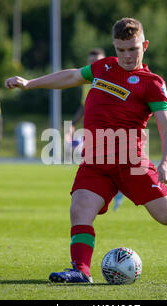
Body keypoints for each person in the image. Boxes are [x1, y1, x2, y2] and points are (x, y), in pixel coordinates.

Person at [5, 17, 167, 283]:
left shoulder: (152, 83)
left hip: (132, 162)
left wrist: (166, 162)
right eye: (121, 49)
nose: (127, 56)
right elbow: (71, 75)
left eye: (133, 49)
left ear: (145, 45)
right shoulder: (102, 67)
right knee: (80, 207)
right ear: (114, 47)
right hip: (95, 162)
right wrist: (29, 83)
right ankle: (81, 271)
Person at [66, 48, 125, 211]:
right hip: (93, 131)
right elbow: (84, 106)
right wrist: (72, 124)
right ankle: (111, 193)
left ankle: (117, 191)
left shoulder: (116, 78)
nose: (94, 64)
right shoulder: (88, 82)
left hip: (115, 131)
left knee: (113, 164)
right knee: (98, 165)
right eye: (91, 61)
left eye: (97, 61)